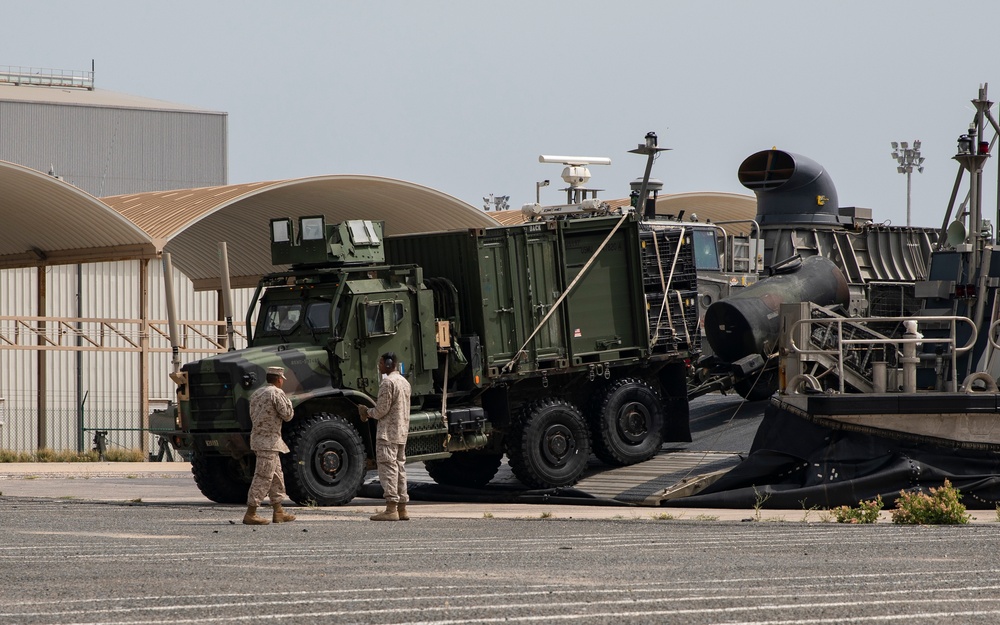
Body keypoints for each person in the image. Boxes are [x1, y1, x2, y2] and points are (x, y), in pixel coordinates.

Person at [358, 351, 412, 521]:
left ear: (387, 364)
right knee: (400, 469)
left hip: (387, 434)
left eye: (381, 363)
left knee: (388, 469)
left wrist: (367, 412)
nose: (379, 366)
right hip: (401, 432)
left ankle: (390, 509)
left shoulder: (387, 383)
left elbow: (381, 410)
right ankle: (402, 508)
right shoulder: (404, 382)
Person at [243, 366, 297, 525]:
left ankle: (279, 512)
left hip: (261, 440)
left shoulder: (256, 393)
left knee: (276, 477)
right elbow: (287, 415)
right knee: (263, 477)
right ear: (279, 379)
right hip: (269, 441)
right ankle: (251, 512)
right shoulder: (276, 393)